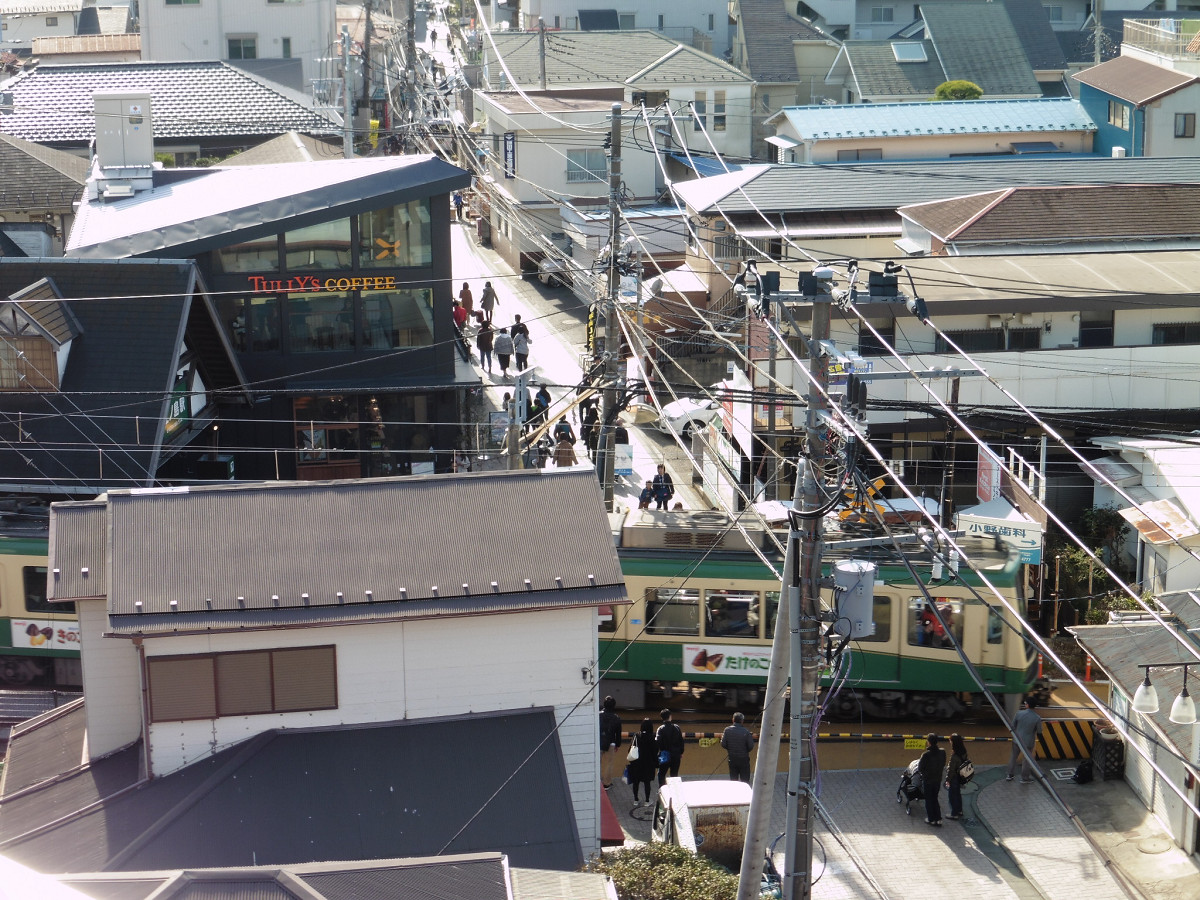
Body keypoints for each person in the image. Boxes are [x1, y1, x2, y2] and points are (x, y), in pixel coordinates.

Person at [1007, 698, 1043, 783]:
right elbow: (1039, 731)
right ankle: (1025, 778)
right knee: (1026, 760)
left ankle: (1009, 775)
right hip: (1029, 742)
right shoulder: (1037, 718)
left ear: (1027, 705)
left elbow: (1012, 726)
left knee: (1013, 757)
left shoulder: (1019, 713)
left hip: (1017, 740)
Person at [629, 718, 658, 808]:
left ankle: (636, 799)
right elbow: (655, 751)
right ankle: (647, 800)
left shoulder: (636, 736)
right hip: (648, 764)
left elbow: (630, 748)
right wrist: (656, 763)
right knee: (647, 783)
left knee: (636, 782)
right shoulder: (653, 737)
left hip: (636, 763)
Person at [918, 732, 946, 826]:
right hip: (937, 780)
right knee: (935, 798)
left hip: (928, 780)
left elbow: (920, 768)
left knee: (929, 799)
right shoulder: (942, 752)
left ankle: (931, 819)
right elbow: (943, 764)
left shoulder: (926, 755)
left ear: (928, 742)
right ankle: (938, 818)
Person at [721, 711, 755, 784]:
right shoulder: (746, 732)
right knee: (745, 781)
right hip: (744, 759)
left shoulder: (727, 730)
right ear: (742, 721)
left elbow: (723, 744)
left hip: (732, 759)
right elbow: (751, 746)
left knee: (734, 782)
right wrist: (745, 751)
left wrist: (730, 749)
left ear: (733, 720)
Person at [655, 708, 685, 786]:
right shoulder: (677, 727)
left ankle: (662, 791)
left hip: (665, 755)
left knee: (661, 774)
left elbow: (658, 742)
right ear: (670, 716)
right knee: (674, 775)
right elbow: (681, 741)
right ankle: (674, 792)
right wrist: (681, 752)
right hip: (676, 755)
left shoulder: (660, 729)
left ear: (662, 718)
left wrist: (659, 752)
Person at [599, 695, 622, 789]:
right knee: (609, 764)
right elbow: (618, 733)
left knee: (597, 762)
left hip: (599, 742)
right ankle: (606, 783)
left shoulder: (599, 715)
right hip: (611, 743)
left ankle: (597, 781)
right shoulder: (616, 718)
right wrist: (618, 744)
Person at [945, 732, 969, 820]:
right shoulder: (963, 751)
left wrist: (947, 779)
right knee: (958, 794)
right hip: (961, 776)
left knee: (952, 796)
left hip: (954, 777)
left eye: (950, 741)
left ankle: (954, 813)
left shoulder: (954, 756)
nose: (950, 742)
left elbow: (951, 770)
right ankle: (959, 810)